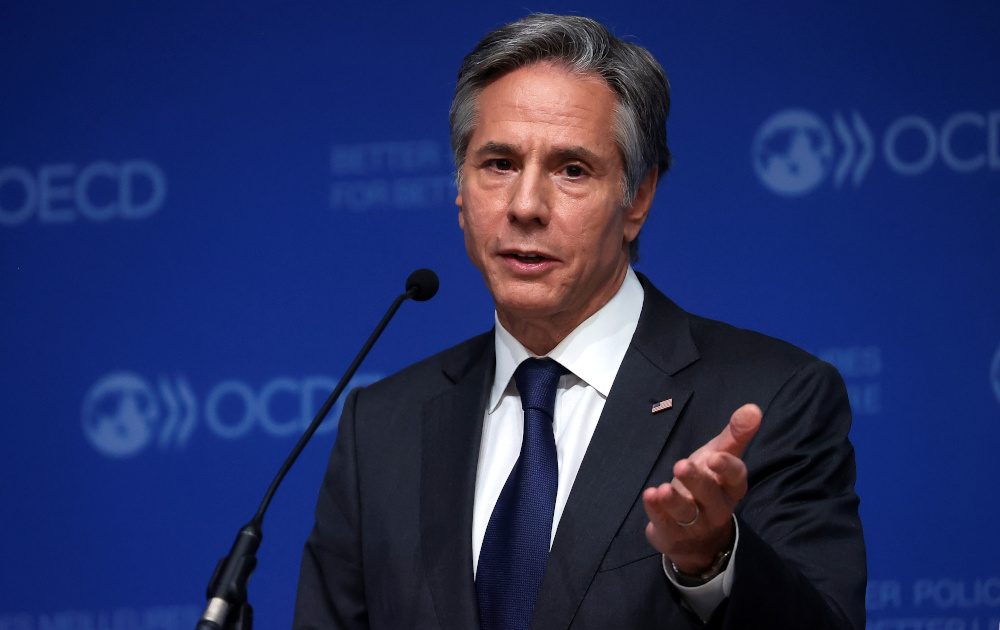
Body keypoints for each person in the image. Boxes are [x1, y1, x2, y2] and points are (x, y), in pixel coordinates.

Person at [293, 13, 866, 630]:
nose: (526, 206)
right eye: (499, 164)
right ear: (460, 192)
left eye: (571, 169)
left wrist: (712, 562)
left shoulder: (771, 398)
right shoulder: (379, 428)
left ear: (637, 199)